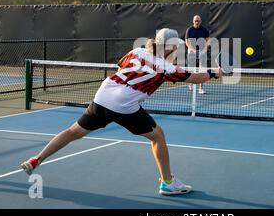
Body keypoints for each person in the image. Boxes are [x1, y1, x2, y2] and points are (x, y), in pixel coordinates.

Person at [20, 28, 223, 195]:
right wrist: (215, 72)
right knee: (158, 136)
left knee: (73, 132)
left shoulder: (137, 52)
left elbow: (123, 68)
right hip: (123, 105)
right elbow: (196, 78)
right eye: (176, 45)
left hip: (102, 97)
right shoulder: (166, 68)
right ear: (170, 46)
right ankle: (167, 183)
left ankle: (36, 159)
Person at [185, 15, 210, 94]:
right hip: (191, 51)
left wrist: (205, 50)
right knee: (191, 69)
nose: (197, 22)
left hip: (202, 51)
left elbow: (208, 41)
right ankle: (191, 84)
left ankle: (200, 89)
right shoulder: (189, 30)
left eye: (198, 21)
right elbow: (187, 42)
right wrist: (193, 50)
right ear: (193, 21)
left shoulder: (204, 30)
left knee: (202, 70)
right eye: (195, 21)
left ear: (200, 21)